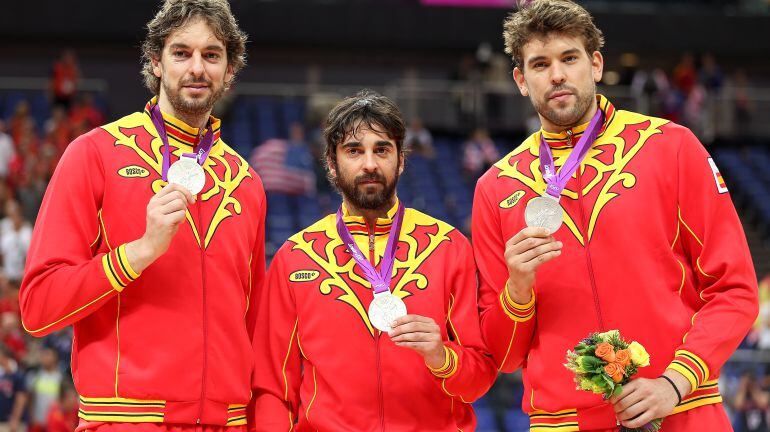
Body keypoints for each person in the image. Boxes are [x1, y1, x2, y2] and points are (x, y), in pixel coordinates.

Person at [472, 1, 758, 431]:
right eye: (540, 64)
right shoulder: (496, 188)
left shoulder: (671, 147)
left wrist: (675, 382)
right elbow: (506, 354)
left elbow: (735, 290)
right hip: (564, 423)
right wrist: (517, 288)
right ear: (520, 80)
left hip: (682, 410)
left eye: (570, 58)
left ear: (597, 63)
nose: (557, 75)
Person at [19, 1, 266, 431]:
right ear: (155, 61)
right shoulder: (93, 154)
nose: (197, 67)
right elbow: (39, 307)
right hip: (127, 421)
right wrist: (139, 252)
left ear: (230, 70)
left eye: (211, 55)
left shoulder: (247, 183)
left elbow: (257, 330)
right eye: (180, 52)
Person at [251, 91, 496, 431]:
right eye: (354, 150)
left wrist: (442, 357)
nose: (369, 164)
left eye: (382, 149)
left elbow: (479, 378)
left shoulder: (448, 247)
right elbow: (271, 389)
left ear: (401, 160)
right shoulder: (295, 257)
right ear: (332, 164)